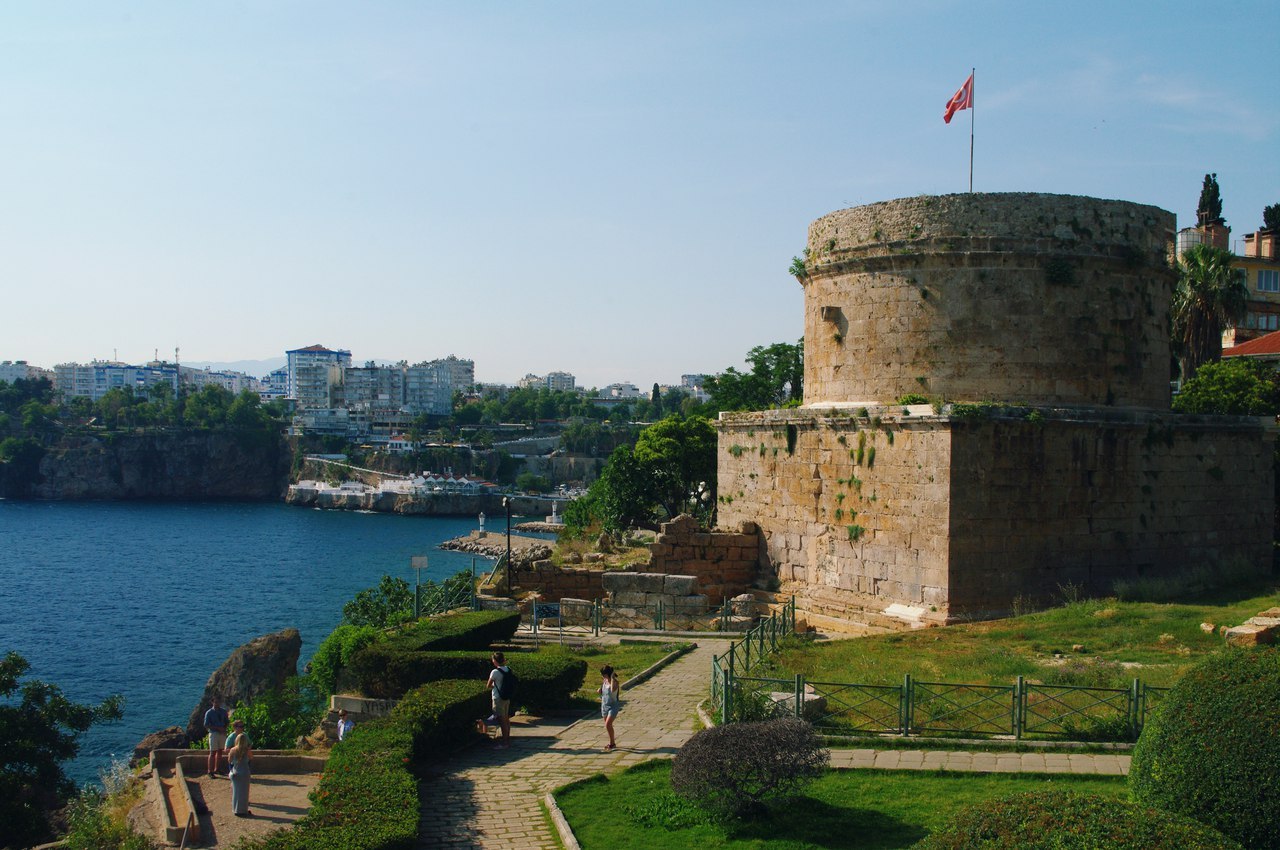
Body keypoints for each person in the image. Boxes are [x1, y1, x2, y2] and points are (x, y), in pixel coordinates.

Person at [475, 651, 511, 749]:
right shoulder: (508, 669)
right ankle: (507, 740)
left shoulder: (495, 672)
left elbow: (488, 685)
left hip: (497, 698)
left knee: (501, 720)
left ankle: (504, 743)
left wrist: (495, 685)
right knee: (506, 719)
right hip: (506, 697)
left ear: (495, 661)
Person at [227, 719, 252, 817]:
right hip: (245, 772)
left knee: (235, 792)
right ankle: (243, 810)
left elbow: (229, 760)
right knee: (244, 792)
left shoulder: (233, 750)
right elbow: (251, 758)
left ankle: (235, 809)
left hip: (235, 772)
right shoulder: (246, 750)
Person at [203, 696, 229, 778]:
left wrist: (224, 729)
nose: (217, 704)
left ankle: (217, 769)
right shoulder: (209, 712)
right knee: (212, 752)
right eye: (216, 702)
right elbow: (206, 725)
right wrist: (218, 728)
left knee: (220, 752)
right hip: (214, 734)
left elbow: (226, 721)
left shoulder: (223, 712)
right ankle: (210, 771)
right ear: (212, 702)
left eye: (218, 702)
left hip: (222, 734)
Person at [600, 665, 621, 751]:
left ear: (608, 674)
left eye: (604, 675)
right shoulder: (604, 680)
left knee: (608, 724)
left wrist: (612, 678)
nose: (603, 676)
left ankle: (612, 743)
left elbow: (612, 690)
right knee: (608, 726)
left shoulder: (615, 682)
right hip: (604, 705)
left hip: (613, 706)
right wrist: (600, 690)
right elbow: (603, 690)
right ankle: (612, 742)